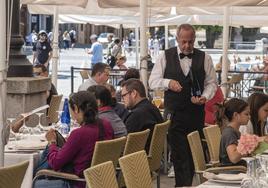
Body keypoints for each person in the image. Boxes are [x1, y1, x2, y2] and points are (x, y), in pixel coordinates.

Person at [149, 23, 217, 186]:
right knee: (179, 156)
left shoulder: (204, 57)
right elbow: (152, 81)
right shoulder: (165, 56)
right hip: (175, 114)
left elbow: (212, 83)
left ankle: (185, 185)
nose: (187, 45)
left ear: (194, 40)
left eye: (190, 42)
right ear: (177, 39)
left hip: (196, 114)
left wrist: (205, 97)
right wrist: (168, 82)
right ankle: (182, 185)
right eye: (183, 42)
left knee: (193, 154)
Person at [34, 91, 114, 188]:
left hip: (78, 182)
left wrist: (52, 142)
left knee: (35, 182)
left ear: (75, 108)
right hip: (101, 179)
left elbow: (55, 163)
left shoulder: (79, 134)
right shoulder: (106, 125)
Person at [121, 79, 163, 152]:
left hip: (137, 159)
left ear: (134, 93)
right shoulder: (153, 108)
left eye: (124, 95)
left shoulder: (136, 115)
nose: (122, 99)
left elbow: (124, 145)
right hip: (152, 156)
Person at [216, 98, 249, 166]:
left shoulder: (235, 131)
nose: (249, 117)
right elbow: (234, 158)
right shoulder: (229, 133)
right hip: (231, 172)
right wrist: (248, 144)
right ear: (236, 115)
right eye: (246, 114)